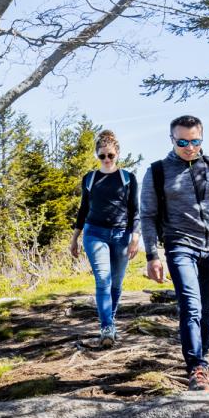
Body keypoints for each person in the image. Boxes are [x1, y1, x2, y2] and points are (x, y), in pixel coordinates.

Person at [141, 114, 209, 391]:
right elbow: (148, 216)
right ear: (172, 139)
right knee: (191, 307)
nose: (189, 147)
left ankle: (202, 359)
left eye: (195, 141)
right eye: (182, 142)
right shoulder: (157, 172)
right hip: (180, 246)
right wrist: (152, 256)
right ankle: (197, 368)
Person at [68, 129, 140, 347]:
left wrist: (135, 237)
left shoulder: (128, 179)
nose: (107, 159)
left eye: (110, 155)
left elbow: (135, 210)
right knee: (103, 280)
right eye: (102, 156)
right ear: (97, 155)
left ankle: (111, 320)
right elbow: (83, 210)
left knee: (116, 284)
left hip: (121, 235)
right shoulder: (89, 179)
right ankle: (106, 327)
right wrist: (74, 238)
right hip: (94, 233)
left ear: (117, 153)